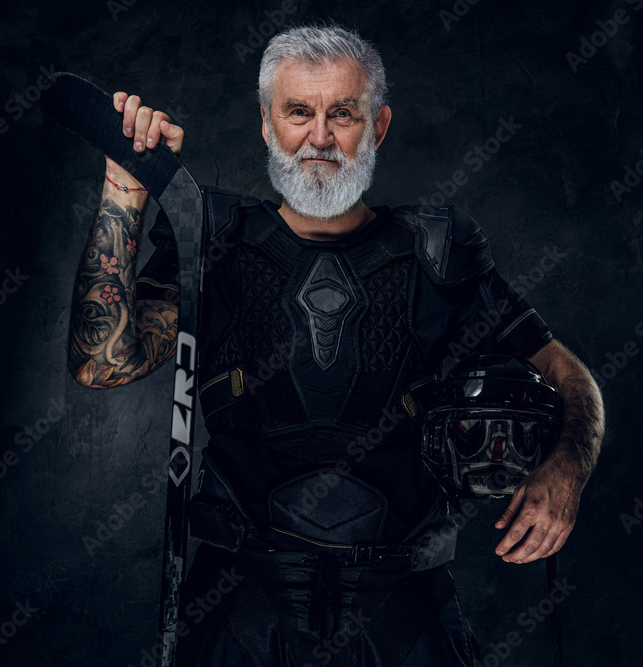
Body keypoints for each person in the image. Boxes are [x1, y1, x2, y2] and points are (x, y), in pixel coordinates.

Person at [66, 24, 604, 666]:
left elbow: (570, 376)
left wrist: (566, 471)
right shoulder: (213, 238)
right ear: (267, 125)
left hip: (403, 603)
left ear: (376, 127)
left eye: (341, 113)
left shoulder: (435, 250)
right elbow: (101, 363)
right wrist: (127, 186)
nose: (319, 137)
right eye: (298, 112)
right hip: (239, 604)